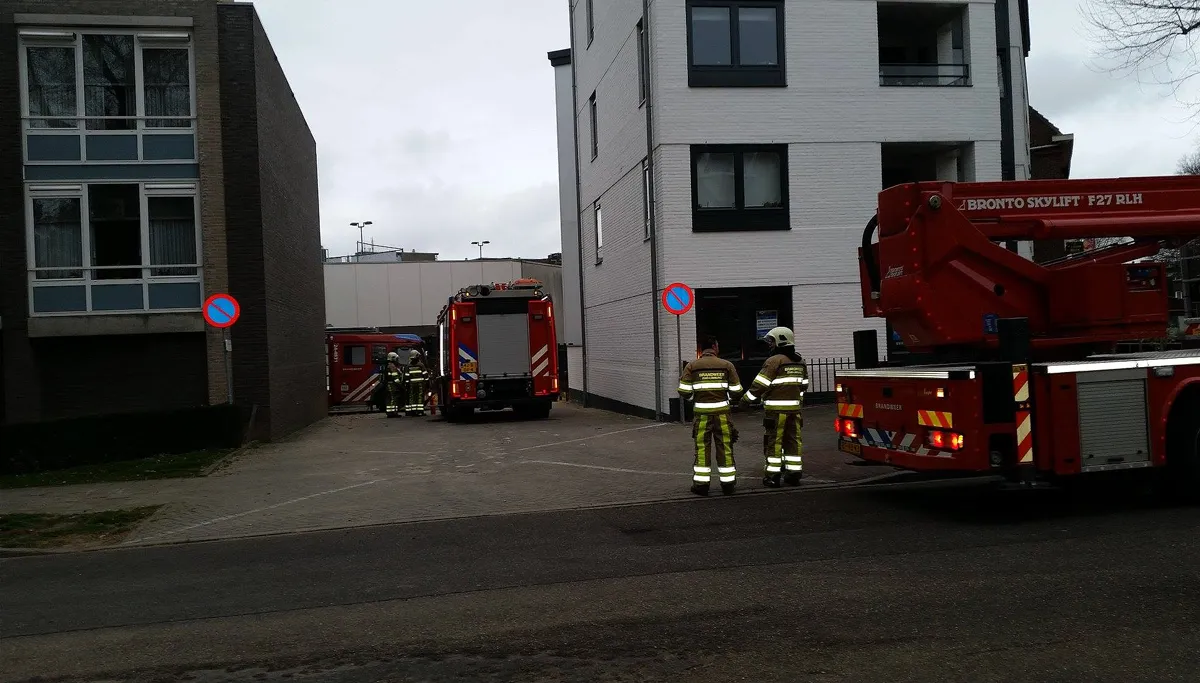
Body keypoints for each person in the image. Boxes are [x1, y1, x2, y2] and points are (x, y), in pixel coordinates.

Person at [741, 327, 808, 487]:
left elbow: (759, 385)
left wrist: (745, 400)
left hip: (776, 413)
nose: (770, 345)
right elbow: (804, 386)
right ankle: (793, 474)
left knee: (774, 442)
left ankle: (773, 476)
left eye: (771, 341)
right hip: (795, 411)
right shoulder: (800, 361)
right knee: (793, 441)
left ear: (780, 341)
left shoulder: (774, 361)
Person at [677, 336, 743, 496]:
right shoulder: (727, 365)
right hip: (722, 415)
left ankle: (701, 485)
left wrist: (696, 398)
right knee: (725, 447)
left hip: (702, 416)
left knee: (702, 448)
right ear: (714, 347)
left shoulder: (692, 366)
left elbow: (684, 391)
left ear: (701, 349)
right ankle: (728, 485)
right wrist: (726, 398)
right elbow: (737, 391)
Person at [405, 349, 429, 416]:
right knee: (419, 397)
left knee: (412, 397)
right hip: (420, 384)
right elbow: (425, 374)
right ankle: (420, 411)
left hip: (411, 384)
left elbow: (406, 376)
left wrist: (407, 383)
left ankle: (413, 411)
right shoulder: (421, 365)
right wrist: (427, 382)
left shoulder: (408, 366)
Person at [383, 351, 405, 418]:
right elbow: (395, 377)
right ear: (393, 358)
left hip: (389, 385)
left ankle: (390, 412)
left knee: (389, 399)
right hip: (393, 386)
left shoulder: (388, 365)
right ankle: (393, 413)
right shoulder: (392, 366)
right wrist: (401, 385)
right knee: (393, 399)